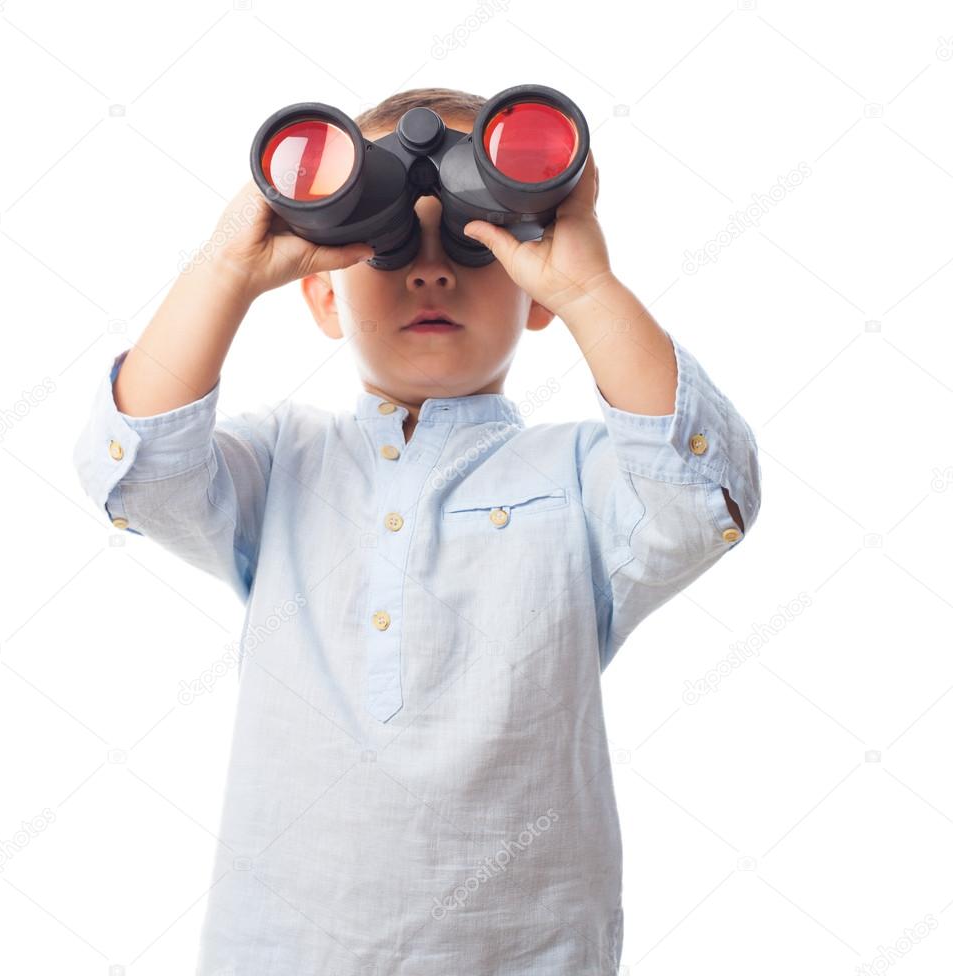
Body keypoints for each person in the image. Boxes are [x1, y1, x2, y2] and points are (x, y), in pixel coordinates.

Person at [72, 86, 761, 975]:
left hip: (526, 954)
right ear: (319, 292)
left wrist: (592, 286)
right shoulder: (288, 460)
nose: (429, 272)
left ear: (533, 293)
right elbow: (137, 469)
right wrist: (224, 268)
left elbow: (706, 491)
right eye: (389, 243)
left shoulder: (582, 478)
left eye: (476, 246)